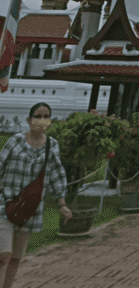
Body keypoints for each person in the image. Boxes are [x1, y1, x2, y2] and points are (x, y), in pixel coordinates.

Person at [0, 102, 71, 288]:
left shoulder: (52, 145)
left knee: (16, 257)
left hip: (30, 209)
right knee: (3, 255)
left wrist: (62, 204)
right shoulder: (15, 141)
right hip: (5, 203)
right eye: (38, 116)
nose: (42, 120)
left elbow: (57, 175)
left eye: (46, 116)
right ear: (29, 119)